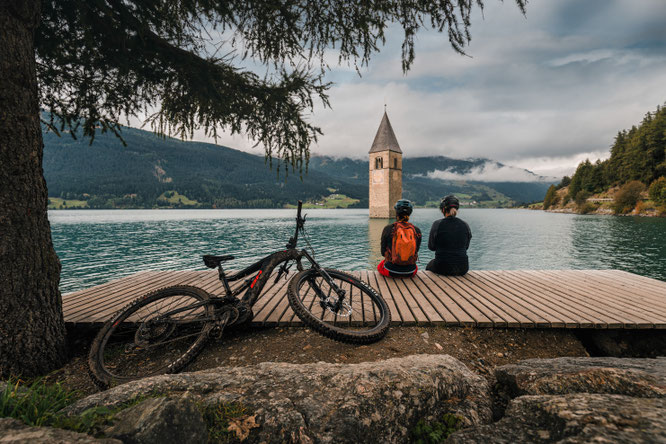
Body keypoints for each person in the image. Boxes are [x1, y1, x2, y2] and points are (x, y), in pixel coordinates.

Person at [426, 195, 472, 276]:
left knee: (429, 265)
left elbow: (431, 247)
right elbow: (466, 247)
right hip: (463, 268)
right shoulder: (465, 224)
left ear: (443, 209)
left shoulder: (437, 224)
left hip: (442, 267)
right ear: (457, 210)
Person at [378, 199, 422, 278]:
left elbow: (382, 252)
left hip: (391, 271)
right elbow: (416, 251)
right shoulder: (416, 230)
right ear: (410, 213)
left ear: (396, 213)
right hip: (411, 272)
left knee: (380, 266)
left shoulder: (388, 229)